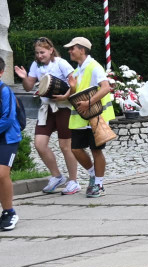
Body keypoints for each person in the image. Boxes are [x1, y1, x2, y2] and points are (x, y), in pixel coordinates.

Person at [15, 38, 78, 194]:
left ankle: (74, 181)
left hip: (63, 108)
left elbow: (75, 82)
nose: (39, 55)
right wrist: (24, 78)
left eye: (42, 52)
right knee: (39, 144)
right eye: (37, 53)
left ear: (51, 50)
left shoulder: (61, 63)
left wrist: (65, 96)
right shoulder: (36, 65)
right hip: (46, 109)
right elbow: (29, 87)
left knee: (65, 146)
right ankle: (57, 176)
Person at [57, 38, 113, 198]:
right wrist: (64, 94)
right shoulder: (77, 71)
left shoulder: (94, 67)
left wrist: (89, 102)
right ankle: (94, 175)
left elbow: (106, 87)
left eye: (72, 48)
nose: (69, 51)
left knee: (96, 150)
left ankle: (99, 184)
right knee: (75, 149)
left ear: (82, 50)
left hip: (96, 116)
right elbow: (73, 93)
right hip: (81, 118)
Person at [0, 58, 22, 231]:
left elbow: (7, 119)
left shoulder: (4, 91)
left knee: (1, 174)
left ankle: (9, 212)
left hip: (7, 138)